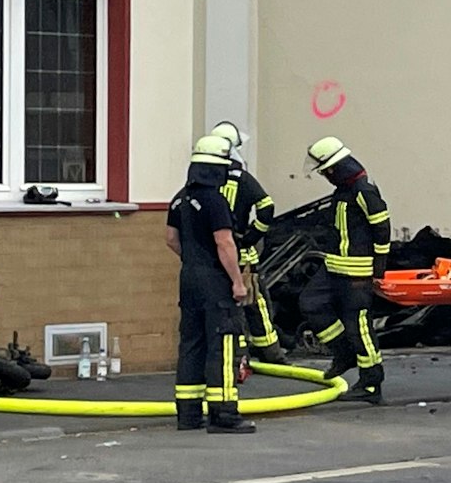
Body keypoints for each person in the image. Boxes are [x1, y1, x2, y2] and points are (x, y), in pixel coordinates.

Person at [166, 135, 255, 434]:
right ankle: (224, 414)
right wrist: (237, 282)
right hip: (215, 283)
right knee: (223, 346)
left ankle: (188, 415)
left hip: (189, 279)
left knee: (191, 345)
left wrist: (193, 259)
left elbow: (171, 239)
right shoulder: (215, 200)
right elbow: (224, 242)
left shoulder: (179, 198)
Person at [302, 137, 391, 404]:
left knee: (358, 326)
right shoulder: (344, 190)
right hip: (333, 266)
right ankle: (344, 353)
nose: (325, 176)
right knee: (311, 303)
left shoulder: (364, 191)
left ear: (335, 168)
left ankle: (371, 382)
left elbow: (382, 227)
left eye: (326, 171)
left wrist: (379, 267)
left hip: (356, 273)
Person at [211, 121, 284, 363]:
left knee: (226, 306)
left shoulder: (206, 179)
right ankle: (271, 354)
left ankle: (237, 355)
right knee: (256, 303)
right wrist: (253, 235)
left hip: (213, 255)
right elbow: (266, 206)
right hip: (242, 256)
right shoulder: (242, 178)